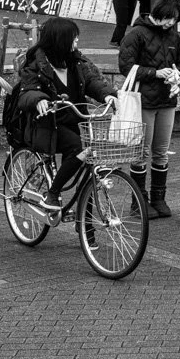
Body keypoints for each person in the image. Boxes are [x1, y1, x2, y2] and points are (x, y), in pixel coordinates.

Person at [19, 18, 118, 214]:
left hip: (77, 120)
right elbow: (27, 90)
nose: (76, 43)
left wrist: (107, 95)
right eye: (73, 39)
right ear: (60, 40)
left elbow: (91, 80)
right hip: (50, 124)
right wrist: (39, 99)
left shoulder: (75, 61)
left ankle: (86, 230)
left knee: (88, 169)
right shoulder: (37, 63)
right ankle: (53, 194)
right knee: (78, 149)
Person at [120, 0, 180, 219]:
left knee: (161, 152)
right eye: (169, 18)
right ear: (159, 13)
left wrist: (176, 76)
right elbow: (125, 67)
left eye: (175, 19)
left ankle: (159, 198)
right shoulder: (136, 34)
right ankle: (138, 201)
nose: (171, 23)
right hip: (143, 102)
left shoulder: (174, 38)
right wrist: (155, 73)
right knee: (141, 152)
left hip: (167, 100)